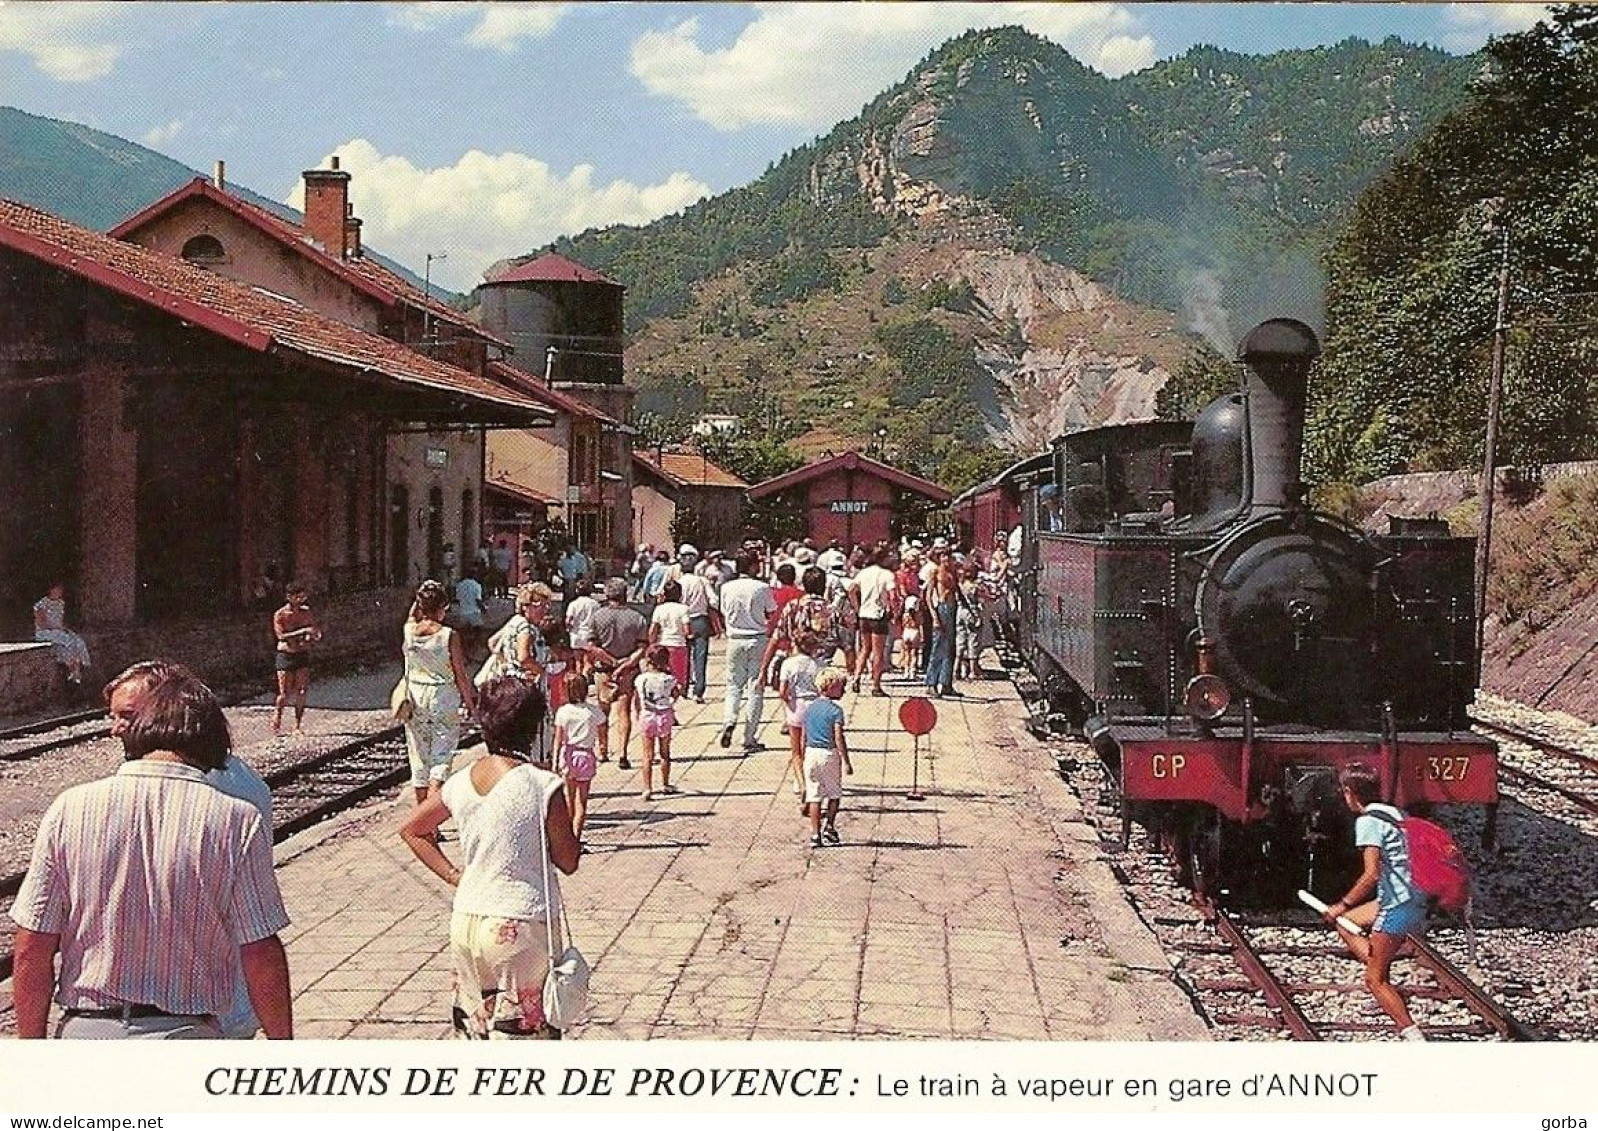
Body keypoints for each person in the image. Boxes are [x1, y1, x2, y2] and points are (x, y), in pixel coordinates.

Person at [12, 668, 292, 1039]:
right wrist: (284, 1049)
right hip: (186, 1035)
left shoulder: (70, 808)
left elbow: (32, 946)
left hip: (87, 1034)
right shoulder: (236, 818)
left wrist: (31, 1051)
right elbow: (260, 950)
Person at [102, 660, 275, 1039]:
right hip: (168, 1003)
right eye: (113, 717)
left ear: (168, 708)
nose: (116, 729)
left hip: (205, 1009)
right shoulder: (231, 776)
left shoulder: (221, 787)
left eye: (127, 716)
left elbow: (256, 933)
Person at [399, 676, 580, 1040]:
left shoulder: (461, 780)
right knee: (522, 1040)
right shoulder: (542, 785)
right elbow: (568, 860)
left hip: (467, 918)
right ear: (534, 726)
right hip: (519, 922)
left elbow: (413, 830)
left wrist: (454, 875)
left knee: (476, 1032)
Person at [1322, 763, 1430, 1041]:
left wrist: (1341, 904)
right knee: (1348, 925)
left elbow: (1371, 874)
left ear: (1349, 792)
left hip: (1398, 905)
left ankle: (1413, 1035)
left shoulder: (1368, 822)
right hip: (1412, 896)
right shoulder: (1394, 812)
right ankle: (1381, 973)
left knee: (1374, 980)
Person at [402, 580, 478, 804]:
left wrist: (420, 599)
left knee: (419, 758)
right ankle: (431, 819)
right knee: (441, 759)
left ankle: (422, 817)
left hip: (415, 696)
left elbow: (411, 616)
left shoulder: (409, 631)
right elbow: (460, 674)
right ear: (442, 607)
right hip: (443, 696)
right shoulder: (448, 635)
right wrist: (470, 703)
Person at [717, 548, 777, 753]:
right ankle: (749, 736)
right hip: (757, 638)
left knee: (733, 685)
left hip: (735, 638)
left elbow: (723, 611)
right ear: (752, 566)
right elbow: (771, 612)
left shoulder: (726, 587)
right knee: (756, 687)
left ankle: (729, 720)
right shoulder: (762, 587)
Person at [588, 577, 649, 768]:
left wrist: (611, 661)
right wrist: (624, 664)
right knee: (624, 712)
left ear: (607, 594)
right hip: (627, 671)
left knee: (602, 712)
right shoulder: (637, 618)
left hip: (603, 671)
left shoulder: (597, 617)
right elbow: (642, 648)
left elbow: (591, 647)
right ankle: (623, 753)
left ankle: (603, 750)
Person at [551, 671, 606, 844]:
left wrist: (554, 762)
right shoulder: (593, 711)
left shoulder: (563, 712)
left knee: (569, 797)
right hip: (586, 755)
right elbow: (603, 727)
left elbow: (558, 739)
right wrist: (603, 746)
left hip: (569, 755)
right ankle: (576, 837)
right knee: (582, 801)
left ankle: (567, 838)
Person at [801, 666, 852, 849]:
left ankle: (815, 834)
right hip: (828, 753)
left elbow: (804, 735)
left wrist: (802, 754)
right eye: (841, 687)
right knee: (834, 793)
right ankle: (829, 826)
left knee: (814, 796)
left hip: (810, 752)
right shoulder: (835, 711)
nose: (844, 691)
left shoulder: (809, 708)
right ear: (830, 687)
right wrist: (846, 760)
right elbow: (838, 737)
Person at [271, 581, 321, 736]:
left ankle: (297, 725)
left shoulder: (306, 612)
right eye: (297, 597)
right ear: (289, 597)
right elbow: (281, 636)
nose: (301, 600)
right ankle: (277, 715)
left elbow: (314, 629)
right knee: (284, 693)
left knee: (301, 690)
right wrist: (302, 631)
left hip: (302, 653)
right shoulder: (280, 615)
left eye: (302, 597)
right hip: (286, 654)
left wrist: (312, 635)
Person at [778, 633, 822, 800]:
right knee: (809, 747)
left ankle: (801, 783)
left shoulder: (789, 664)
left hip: (797, 706)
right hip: (814, 706)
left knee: (796, 750)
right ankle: (810, 780)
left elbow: (783, 691)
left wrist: (788, 702)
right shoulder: (819, 665)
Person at [636, 645, 681, 801]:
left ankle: (647, 788)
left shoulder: (641, 679)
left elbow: (638, 699)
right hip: (664, 715)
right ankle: (665, 783)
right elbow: (676, 693)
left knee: (647, 754)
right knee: (665, 753)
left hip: (647, 715)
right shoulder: (669, 679)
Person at [852, 545, 898, 697]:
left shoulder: (864, 573)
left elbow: (851, 589)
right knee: (878, 652)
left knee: (865, 648)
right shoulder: (887, 575)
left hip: (864, 614)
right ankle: (876, 685)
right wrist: (893, 610)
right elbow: (892, 596)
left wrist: (857, 607)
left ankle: (856, 677)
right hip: (878, 615)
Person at [33, 582, 91, 687]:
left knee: (77, 640)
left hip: (58, 630)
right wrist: (57, 628)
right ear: (51, 590)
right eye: (57, 589)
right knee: (67, 641)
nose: (59, 592)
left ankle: (76, 669)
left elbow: (60, 621)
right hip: (45, 632)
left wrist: (64, 628)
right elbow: (41, 624)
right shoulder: (41, 604)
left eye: (61, 590)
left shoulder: (60, 603)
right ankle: (72, 669)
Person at [649, 579, 691, 690]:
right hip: (678, 645)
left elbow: (652, 630)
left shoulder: (659, 609)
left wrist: (652, 644)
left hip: (663, 645)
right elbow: (687, 631)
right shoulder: (683, 609)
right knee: (678, 679)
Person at [955, 561, 983, 681]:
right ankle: (972, 671)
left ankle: (956, 670)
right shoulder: (973, 586)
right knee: (973, 640)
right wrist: (977, 617)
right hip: (971, 613)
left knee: (960, 641)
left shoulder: (960, 584)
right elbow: (977, 601)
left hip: (960, 612)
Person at [454, 567, 487, 660]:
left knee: (463, 632)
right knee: (479, 631)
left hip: (463, 612)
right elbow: (478, 600)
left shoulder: (459, 585)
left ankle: (464, 650)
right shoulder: (476, 585)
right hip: (474, 612)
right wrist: (484, 609)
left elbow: (457, 599)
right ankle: (475, 648)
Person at [564, 576, 600, 655]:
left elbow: (568, 620)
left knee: (577, 661)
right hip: (589, 635)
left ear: (577, 590)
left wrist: (568, 629)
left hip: (576, 634)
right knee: (588, 661)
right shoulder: (595, 604)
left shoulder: (573, 604)